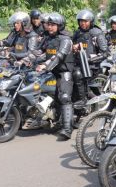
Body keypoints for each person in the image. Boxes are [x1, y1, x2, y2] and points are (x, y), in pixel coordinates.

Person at [23, 13, 75, 141]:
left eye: (53, 25)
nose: (50, 27)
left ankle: (67, 129)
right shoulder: (47, 37)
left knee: (64, 97)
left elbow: (59, 56)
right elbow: (39, 52)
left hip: (63, 72)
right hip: (50, 71)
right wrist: (25, 60)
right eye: (49, 24)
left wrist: (45, 66)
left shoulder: (65, 39)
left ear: (59, 25)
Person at [71, 9, 109, 108]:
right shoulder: (77, 33)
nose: (82, 23)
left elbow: (105, 53)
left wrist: (89, 60)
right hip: (77, 64)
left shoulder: (96, 33)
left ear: (91, 21)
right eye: (81, 21)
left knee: (78, 75)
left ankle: (82, 100)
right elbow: (70, 45)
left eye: (85, 21)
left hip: (91, 67)